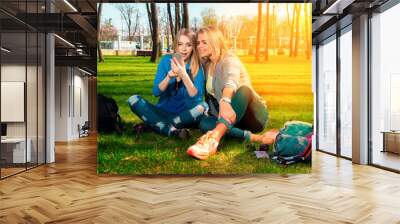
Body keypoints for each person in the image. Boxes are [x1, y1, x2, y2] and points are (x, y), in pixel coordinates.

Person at [187, 26, 277, 160]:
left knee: (244, 90)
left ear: (215, 41)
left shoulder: (229, 59)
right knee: (204, 123)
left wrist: (225, 101)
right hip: (231, 117)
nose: (200, 46)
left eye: (204, 42)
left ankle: (213, 140)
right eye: (198, 42)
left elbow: (231, 80)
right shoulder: (206, 64)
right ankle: (254, 137)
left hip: (252, 115)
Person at [127, 28, 207, 139]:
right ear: (176, 45)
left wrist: (184, 75)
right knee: (133, 99)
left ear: (193, 47)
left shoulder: (197, 66)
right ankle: (168, 128)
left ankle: (157, 125)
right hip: (162, 111)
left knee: (203, 107)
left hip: (184, 115)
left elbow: (197, 99)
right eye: (180, 44)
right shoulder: (166, 61)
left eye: (188, 45)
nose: (183, 49)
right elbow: (156, 92)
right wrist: (169, 76)